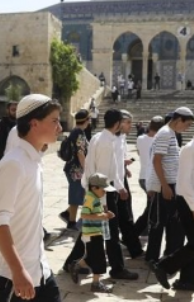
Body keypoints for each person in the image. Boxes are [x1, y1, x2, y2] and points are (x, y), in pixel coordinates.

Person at [0, 94, 62, 302]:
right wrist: (18, 271)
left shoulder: (34, 161)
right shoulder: (14, 164)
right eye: (54, 121)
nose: (59, 127)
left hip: (38, 269)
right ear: (34, 123)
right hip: (12, 277)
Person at [152, 115, 194, 293]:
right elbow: (183, 183)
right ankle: (164, 266)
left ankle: (187, 281)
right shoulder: (190, 149)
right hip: (190, 201)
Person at [77, 109, 140, 280]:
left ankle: (83, 262)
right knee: (109, 231)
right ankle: (115, 269)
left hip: (102, 189)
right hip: (102, 191)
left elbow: (113, 169)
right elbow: (102, 174)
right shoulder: (106, 143)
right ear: (118, 123)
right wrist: (104, 201)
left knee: (103, 230)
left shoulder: (101, 138)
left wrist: (120, 186)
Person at [145, 107, 194, 264]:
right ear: (179, 120)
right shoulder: (165, 133)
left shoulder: (170, 133)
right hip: (165, 185)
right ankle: (155, 258)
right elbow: (157, 160)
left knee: (171, 222)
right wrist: (164, 186)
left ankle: (167, 255)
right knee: (160, 223)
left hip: (170, 184)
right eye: (186, 125)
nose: (187, 129)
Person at [66, 173, 116, 294]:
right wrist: (102, 216)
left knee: (93, 256)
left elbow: (95, 212)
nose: (105, 192)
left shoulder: (94, 197)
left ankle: (76, 265)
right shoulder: (90, 198)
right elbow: (84, 215)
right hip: (92, 233)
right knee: (99, 258)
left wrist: (105, 213)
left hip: (95, 232)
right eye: (103, 189)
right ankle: (96, 283)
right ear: (94, 188)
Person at [114, 110, 143, 258]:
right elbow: (110, 164)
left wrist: (124, 168)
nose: (131, 125)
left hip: (120, 178)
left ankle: (133, 247)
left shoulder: (122, 138)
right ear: (120, 123)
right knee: (123, 216)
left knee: (125, 215)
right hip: (114, 182)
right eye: (128, 122)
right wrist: (120, 186)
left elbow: (118, 160)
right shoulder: (111, 139)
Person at [59, 109, 89, 231]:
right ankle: (71, 222)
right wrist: (86, 169)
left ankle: (67, 214)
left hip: (71, 167)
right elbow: (80, 153)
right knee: (76, 194)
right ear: (86, 120)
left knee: (79, 193)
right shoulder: (80, 133)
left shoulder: (74, 131)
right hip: (76, 169)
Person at [135, 116, 164, 236]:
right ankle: (136, 230)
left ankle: (143, 229)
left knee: (151, 205)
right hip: (152, 177)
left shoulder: (140, 138)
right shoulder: (159, 141)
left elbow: (139, 153)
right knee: (151, 207)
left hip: (142, 176)